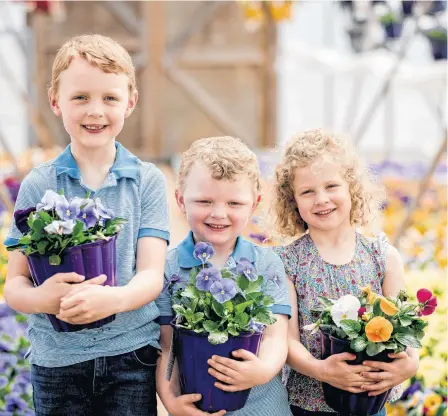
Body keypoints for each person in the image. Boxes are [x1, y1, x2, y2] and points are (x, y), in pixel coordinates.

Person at [3, 34, 170, 416]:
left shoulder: (147, 181)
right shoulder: (41, 184)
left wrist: (115, 300)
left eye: (109, 98)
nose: (95, 110)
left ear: (130, 102)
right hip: (57, 362)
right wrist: (43, 298)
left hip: (131, 357)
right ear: (55, 102)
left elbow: (151, 275)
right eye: (80, 97)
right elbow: (16, 285)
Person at [273, 129, 419, 415]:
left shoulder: (382, 257)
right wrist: (322, 370)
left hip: (371, 401)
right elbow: (286, 341)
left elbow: (408, 331)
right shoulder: (287, 262)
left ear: (352, 187)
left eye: (331, 186)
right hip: (308, 405)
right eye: (307, 192)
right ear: (293, 201)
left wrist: (409, 364)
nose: (321, 199)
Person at [155, 136, 292, 415]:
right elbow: (167, 347)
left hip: (263, 407)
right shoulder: (168, 266)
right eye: (204, 201)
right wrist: (171, 402)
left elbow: (276, 336)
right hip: (199, 405)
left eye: (234, 203)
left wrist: (262, 370)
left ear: (255, 204)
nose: (219, 214)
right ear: (181, 200)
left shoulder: (266, 263)